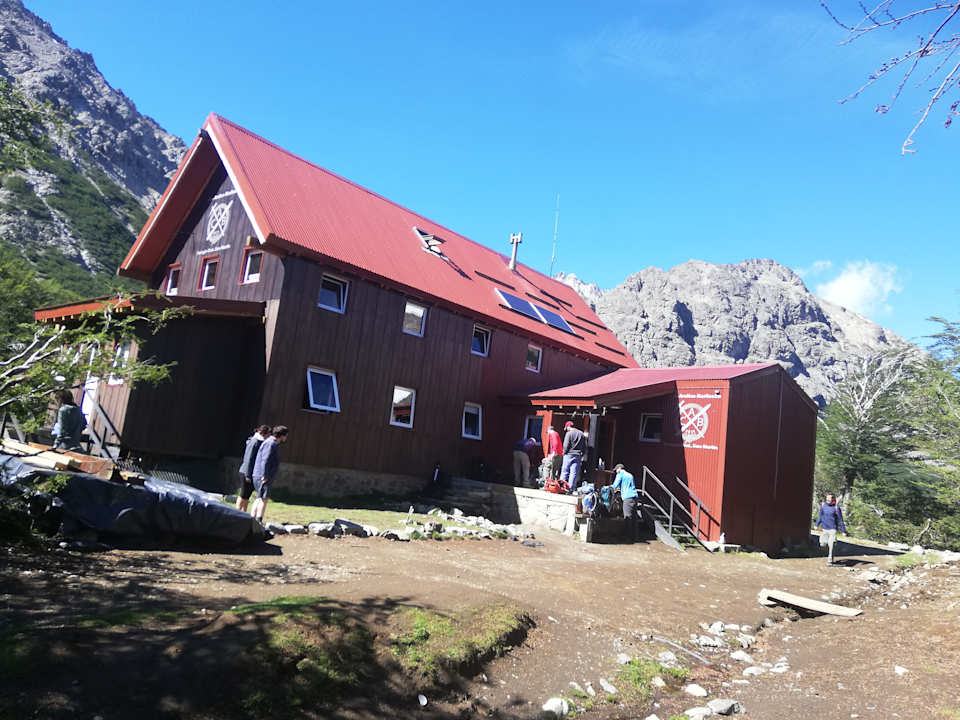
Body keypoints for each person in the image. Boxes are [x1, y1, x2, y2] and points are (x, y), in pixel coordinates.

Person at [251, 425, 289, 524]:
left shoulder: (270, 442)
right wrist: (265, 475)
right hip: (263, 476)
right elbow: (265, 460)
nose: (286, 438)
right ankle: (258, 520)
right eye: (286, 436)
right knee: (263, 499)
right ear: (282, 435)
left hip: (259, 474)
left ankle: (252, 520)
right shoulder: (271, 443)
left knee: (259, 497)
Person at [236, 424, 271, 512]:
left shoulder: (258, 441)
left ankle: (243, 512)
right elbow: (249, 459)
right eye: (268, 435)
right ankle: (237, 511)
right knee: (243, 494)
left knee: (247, 495)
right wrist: (248, 475)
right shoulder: (255, 442)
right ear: (264, 433)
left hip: (251, 472)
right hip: (246, 472)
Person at [815, 492, 847, 566]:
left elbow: (840, 520)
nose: (828, 499)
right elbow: (820, 516)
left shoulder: (836, 508)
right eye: (827, 498)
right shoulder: (823, 506)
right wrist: (817, 524)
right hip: (824, 529)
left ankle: (830, 561)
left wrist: (843, 531)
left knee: (831, 544)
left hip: (833, 529)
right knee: (822, 544)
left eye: (830, 498)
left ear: (833, 499)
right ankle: (828, 553)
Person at [611, 463, 639, 543]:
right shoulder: (630, 475)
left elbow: (615, 485)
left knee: (627, 517)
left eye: (616, 470)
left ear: (619, 468)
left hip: (627, 498)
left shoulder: (620, 474)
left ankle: (628, 538)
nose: (616, 472)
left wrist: (608, 488)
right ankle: (635, 537)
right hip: (634, 497)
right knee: (634, 518)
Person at [560, 420, 587, 493]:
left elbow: (565, 445)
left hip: (568, 455)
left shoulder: (569, 434)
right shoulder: (581, 434)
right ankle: (570, 489)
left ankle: (561, 487)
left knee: (565, 471)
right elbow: (584, 446)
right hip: (578, 455)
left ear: (568, 427)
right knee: (573, 473)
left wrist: (564, 453)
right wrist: (582, 454)